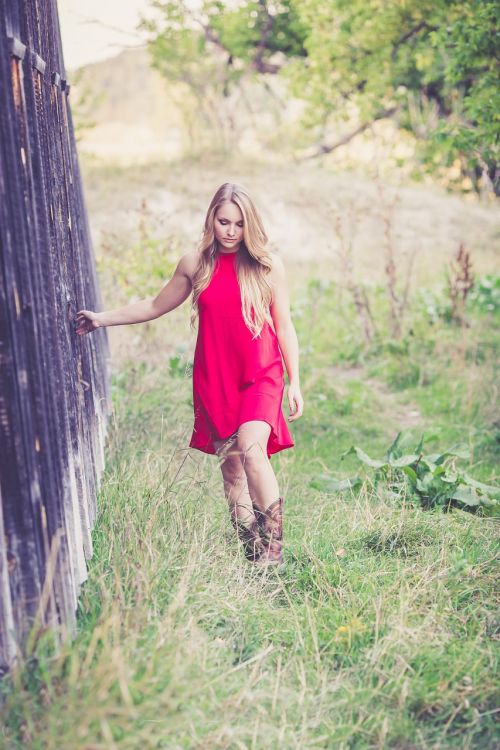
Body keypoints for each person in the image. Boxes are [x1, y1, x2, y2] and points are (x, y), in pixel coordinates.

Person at [75, 182, 304, 567]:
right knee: (232, 468)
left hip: (260, 373)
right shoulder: (195, 264)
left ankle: (273, 549)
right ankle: (250, 549)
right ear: (211, 219)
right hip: (215, 378)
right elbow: (154, 305)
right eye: (224, 222)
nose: (230, 231)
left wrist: (295, 381)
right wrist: (101, 319)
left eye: (238, 224)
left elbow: (284, 324)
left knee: (251, 450)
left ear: (250, 225)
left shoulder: (267, 265)